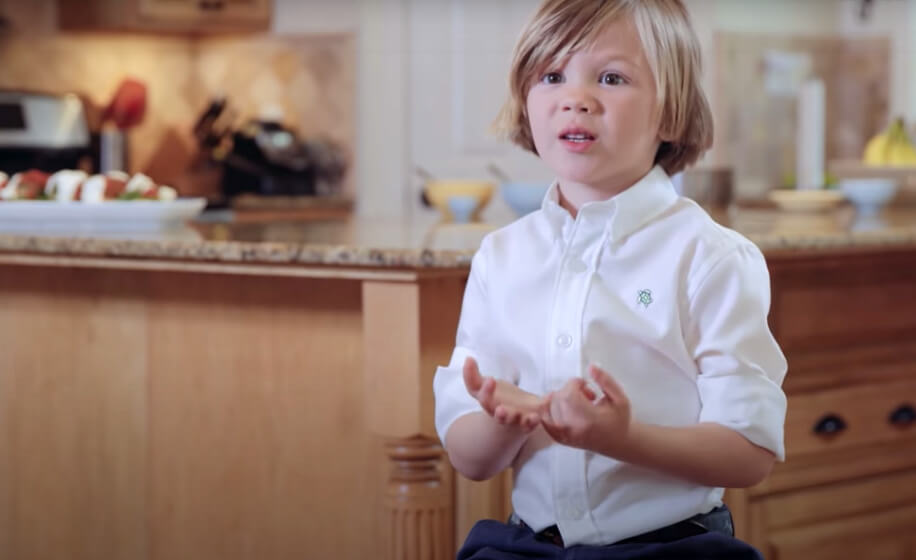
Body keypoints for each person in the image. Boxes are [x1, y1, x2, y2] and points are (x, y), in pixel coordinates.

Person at [432, 0, 788, 558]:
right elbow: (470, 460)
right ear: (526, 103)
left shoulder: (712, 259)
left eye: (612, 78)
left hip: (673, 548)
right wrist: (508, 421)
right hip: (529, 544)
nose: (576, 97)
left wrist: (622, 441)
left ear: (670, 114)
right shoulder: (501, 258)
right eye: (552, 75)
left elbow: (749, 455)